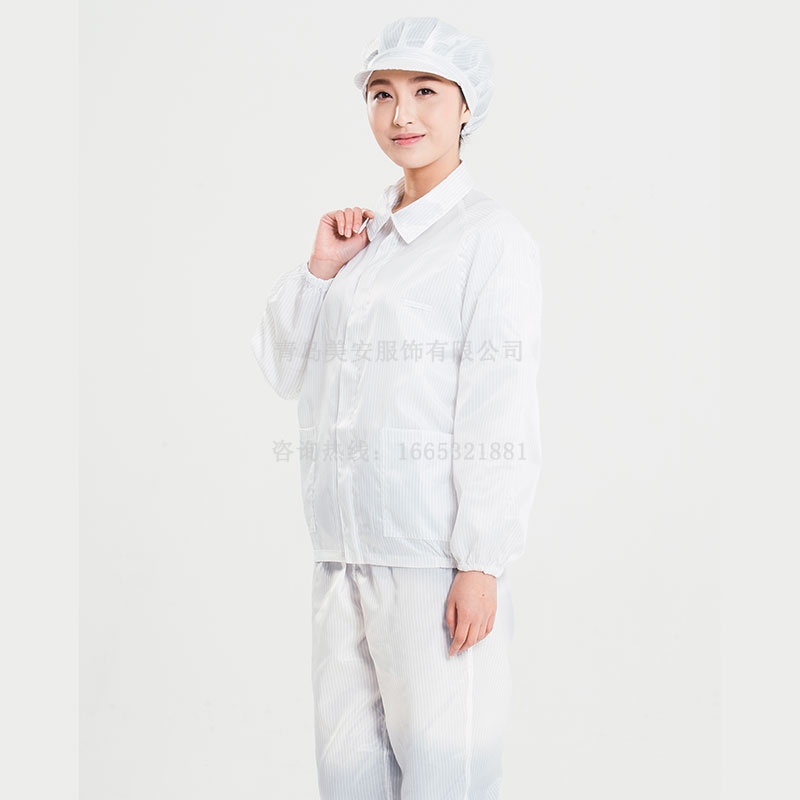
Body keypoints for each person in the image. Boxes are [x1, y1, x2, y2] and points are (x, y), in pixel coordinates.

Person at [250, 16, 542, 800]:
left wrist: (480, 562)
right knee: (348, 781)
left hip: (430, 563)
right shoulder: (364, 243)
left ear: (466, 106)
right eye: (382, 94)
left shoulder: (489, 239)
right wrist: (321, 270)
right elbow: (283, 368)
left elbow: (499, 403)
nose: (401, 113)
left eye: (425, 92)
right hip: (341, 558)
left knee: (447, 778)